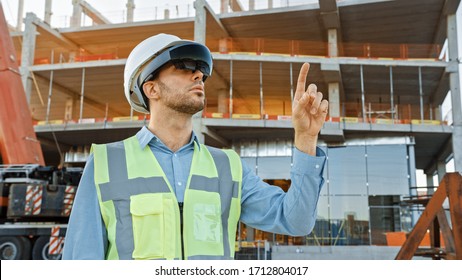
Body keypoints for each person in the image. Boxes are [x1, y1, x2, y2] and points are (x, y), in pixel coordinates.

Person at [62, 33, 329, 260]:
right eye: (184, 66)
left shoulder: (228, 166)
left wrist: (305, 140)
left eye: (201, 70)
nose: (199, 74)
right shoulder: (107, 162)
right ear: (151, 89)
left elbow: (296, 221)